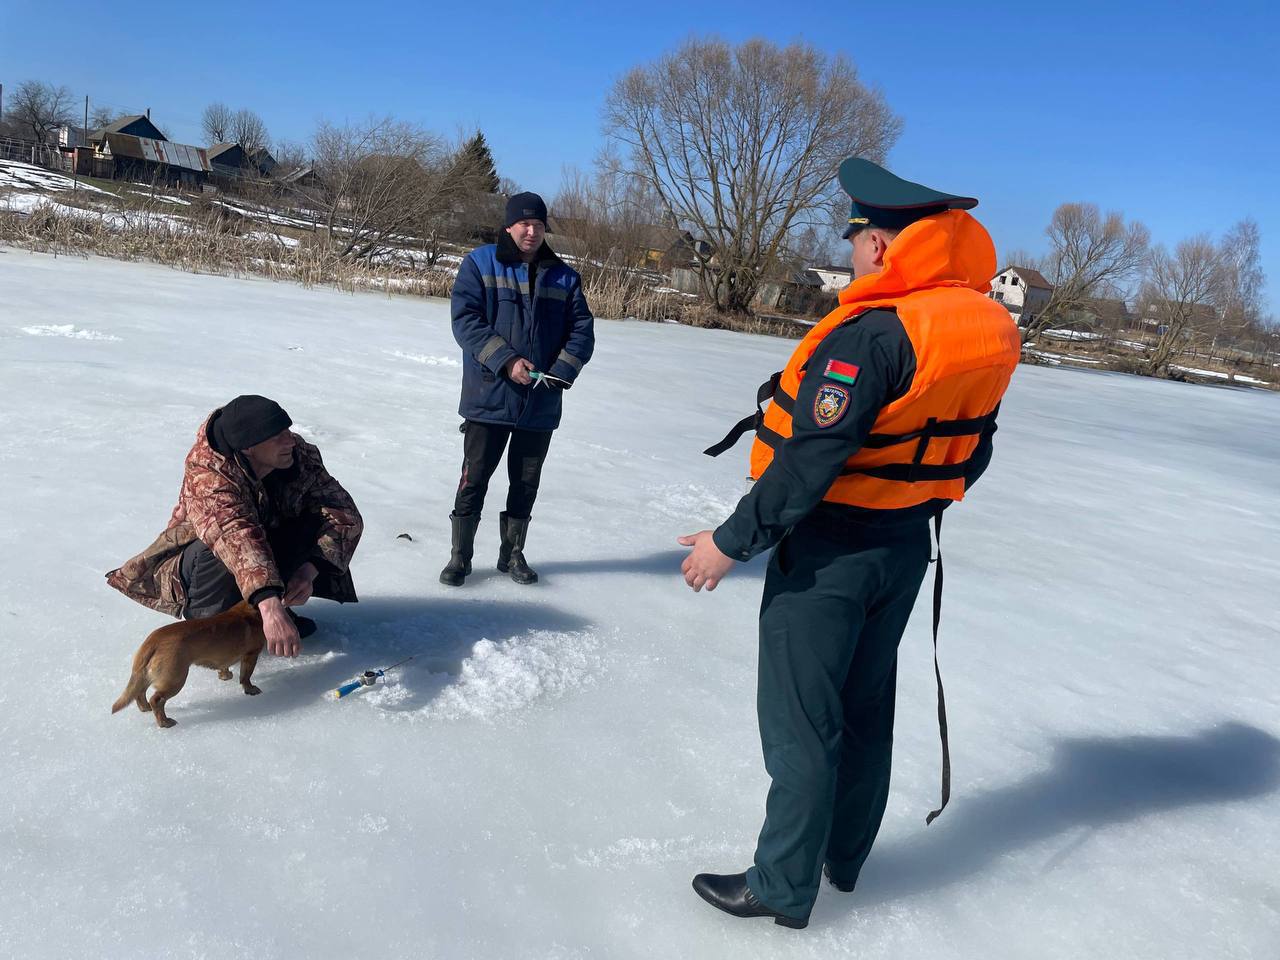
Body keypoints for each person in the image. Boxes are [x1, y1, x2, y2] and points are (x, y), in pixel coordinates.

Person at [679, 158, 1021, 929]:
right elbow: (975, 450)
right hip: (903, 548)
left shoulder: (874, 334)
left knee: (803, 720)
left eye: (864, 234)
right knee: (866, 705)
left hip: (829, 552)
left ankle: (782, 885)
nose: (859, 247)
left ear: (885, 247)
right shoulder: (984, 330)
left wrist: (729, 543)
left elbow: (808, 463)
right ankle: (845, 857)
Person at [106, 395, 363, 658]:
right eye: (278, 437)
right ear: (249, 447)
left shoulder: (297, 455)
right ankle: (212, 624)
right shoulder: (208, 470)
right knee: (221, 547)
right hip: (202, 559)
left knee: (310, 522)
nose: (290, 441)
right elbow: (234, 534)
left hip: (258, 545)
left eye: (288, 431)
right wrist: (269, 605)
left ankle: (263, 612)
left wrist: (309, 570)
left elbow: (343, 513)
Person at [440, 192, 595, 586]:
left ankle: (512, 556)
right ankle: (460, 557)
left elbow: (582, 332)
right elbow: (466, 321)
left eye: (539, 225)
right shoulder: (480, 263)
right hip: (488, 398)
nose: (531, 231)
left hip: (539, 405)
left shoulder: (565, 276)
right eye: (524, 224)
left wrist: (561, 371)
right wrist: (506, 361)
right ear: (509, 226)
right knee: (473, 480)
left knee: (525, 484)